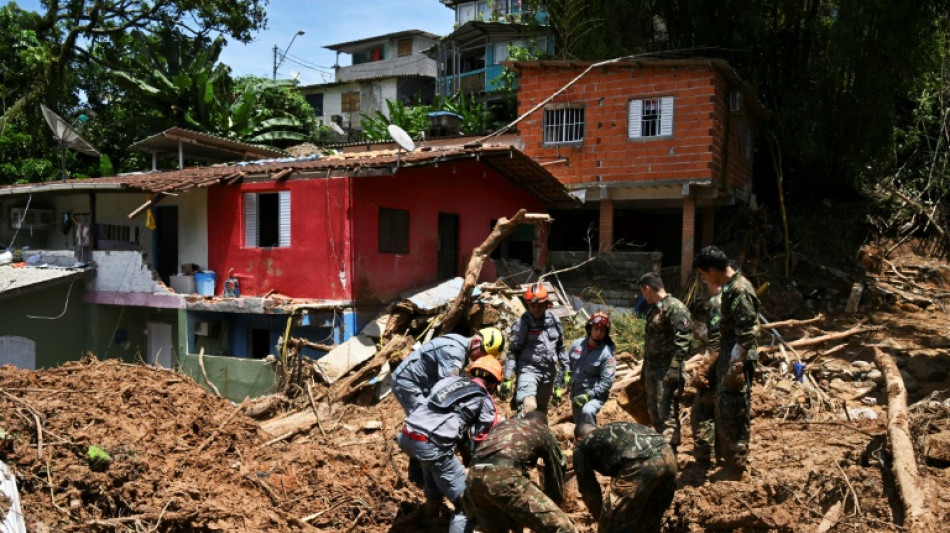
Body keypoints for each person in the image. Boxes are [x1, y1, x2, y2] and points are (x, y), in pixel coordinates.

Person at [397, 356, 503, 533]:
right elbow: (481, 438)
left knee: (432, 465)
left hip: (407, 434)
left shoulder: (449, 381)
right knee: (467, 505)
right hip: (430, 444)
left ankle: (428, 517)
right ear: (493, 384)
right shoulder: (484, 399)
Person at [392, 327, 505, 485]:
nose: (482, 360)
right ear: (477, 343)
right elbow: (449, 396)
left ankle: (422, 472)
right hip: (409, 384)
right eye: (484, 355)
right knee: (426, 427)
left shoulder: (461, 347)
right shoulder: (454, 354)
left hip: (423, 383)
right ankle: (426, 481)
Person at [692, 246, 760, 470]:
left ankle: (737, 468)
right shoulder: (732, 288)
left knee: (734, 412)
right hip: (729, 356)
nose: (704, 278)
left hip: (736, 359)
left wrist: (736, 366)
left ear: (712, 271)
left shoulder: (739, 289)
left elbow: (748, 330)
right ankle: (729, 462)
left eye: (703, 274)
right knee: (725, 410)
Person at [464, 410, 575, 533]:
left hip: (472, 479)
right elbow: (556, 470)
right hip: (502, 475)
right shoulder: (541, 429)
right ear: (544, 424)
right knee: (562, 528)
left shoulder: (503, 426)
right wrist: (552, 506)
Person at [573, 422, 677, 533]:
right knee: (648, 520)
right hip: (669, 456)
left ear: (579, 439)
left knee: (612, 525)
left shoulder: (581, 445)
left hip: (642, 463)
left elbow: (589, 489)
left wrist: (602, 518)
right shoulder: (613, 429)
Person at [636, 272, 693, 450]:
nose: (643, 297)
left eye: (642, 292)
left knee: (667, 413)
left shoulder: (675, 308)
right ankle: (662, 452)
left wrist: (675, 369)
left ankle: (669, 454)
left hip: (667, 371)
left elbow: (684, 341)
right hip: (653, 371)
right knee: (655, 414)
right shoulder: (655, 309)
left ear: (647, 288)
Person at [499, 283, 568, 416]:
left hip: (549, 373)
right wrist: (507, 378)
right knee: (529, 407)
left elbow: (561, 347)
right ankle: (518, 434)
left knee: (541, 413)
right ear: (527, 305)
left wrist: (566, 370)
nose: (536, 309)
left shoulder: (554, 320)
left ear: (546, 304)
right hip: (528, 370)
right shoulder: (522, 324)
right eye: (532, 305)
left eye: (539, 305)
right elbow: (513, 352)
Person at [554, 311, 616, 427]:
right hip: (576, 394)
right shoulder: (577, 345)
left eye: (602, 330)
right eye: (596, 329)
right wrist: (558, 385)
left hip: (595, 397)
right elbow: (565, 366)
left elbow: (607, 382)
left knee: (587, 411)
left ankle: (591, 442)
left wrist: (589, 395)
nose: (598, 333)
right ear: (589, 328)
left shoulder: (607, 354)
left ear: (606, 333)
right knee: (579, 427)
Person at [690, 279, 722, 463]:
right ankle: (719, 455)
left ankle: (704, 457)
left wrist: (703, 370)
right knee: (718, 412)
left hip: (717, 365)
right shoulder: (733, 300)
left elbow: (715, 342)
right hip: (728, 364)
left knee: (701, 412)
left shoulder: (717, 303)